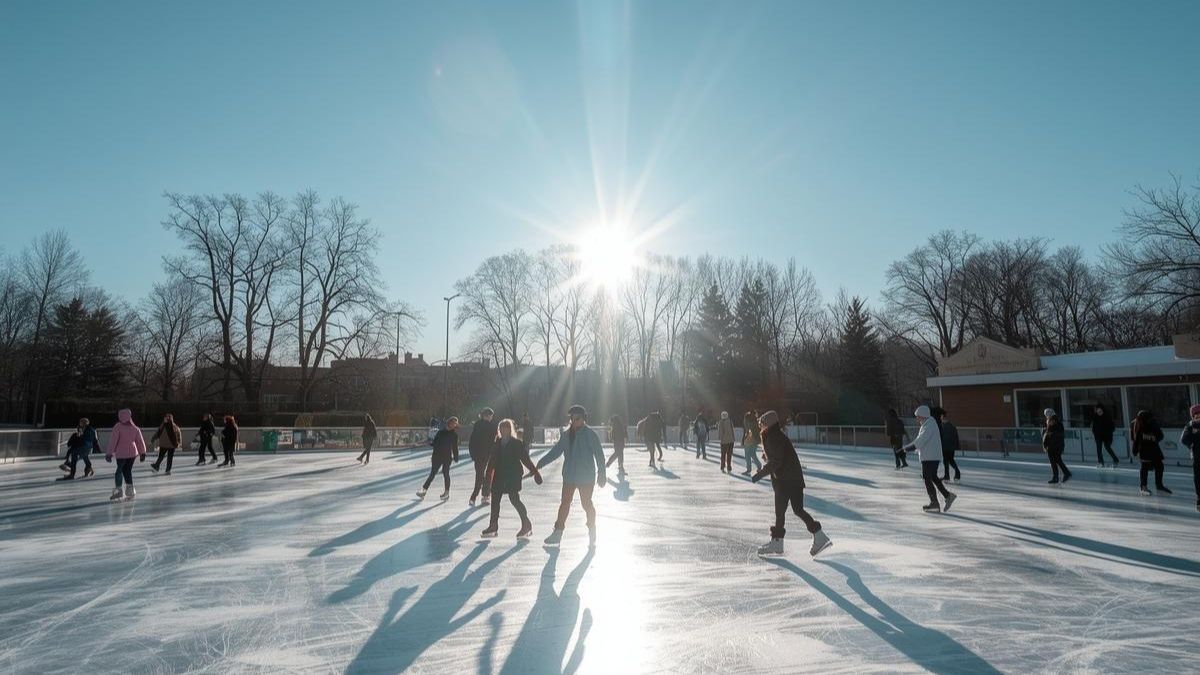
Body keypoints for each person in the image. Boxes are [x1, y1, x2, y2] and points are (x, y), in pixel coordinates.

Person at [752, 410, 832, 557]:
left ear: (768, 424)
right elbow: (778, 457)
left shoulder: (772, 437)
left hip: (785, 480)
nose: (761, 427)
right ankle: (819, 535)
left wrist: (759, 474)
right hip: (794, 479)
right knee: (798, 509)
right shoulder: (777, 435)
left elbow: (777, 461)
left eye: (762, 424)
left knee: (780, 512)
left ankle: (777, 542)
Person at [537, 405, 606, 547]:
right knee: (565, 503)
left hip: (586, 477)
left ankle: (592, 528)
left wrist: (602, 474)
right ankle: (557, 532)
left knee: (586, 504)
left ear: (583, 419)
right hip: (569, 476)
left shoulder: (590, 435)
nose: (574, 421)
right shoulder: (566, 435)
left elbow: (599, 455)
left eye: (578, 418)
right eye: (572, 418)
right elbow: (555, 452)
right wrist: (540, 463)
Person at [481, 418, 543, 538]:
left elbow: (526, 460)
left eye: (507, 428)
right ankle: (493, 526)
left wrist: (535, 472)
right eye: (502, 428)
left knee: (514, 499)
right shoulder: (497, 444)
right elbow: (491, 463)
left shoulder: (516, 443)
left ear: (511, 430)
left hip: (512, 476)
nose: (504, 431)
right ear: (499, 430)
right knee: (495, 501)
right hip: (499, 476)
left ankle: (526, 524)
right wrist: (488, 478)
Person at [902, 405, 957, 513]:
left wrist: (908, 448)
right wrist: (908, 447)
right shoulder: (927, 424)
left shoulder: (929, 425)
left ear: (923, 416)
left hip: (930, 457)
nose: (917, 419)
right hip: (931, 456)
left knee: (927, 478)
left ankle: (934, 503)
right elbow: (919, 439)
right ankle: (947, 496)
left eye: (918, 416)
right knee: (933, 477)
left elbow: (920, 441)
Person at [105, 409, 147, 501]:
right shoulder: (135, 428)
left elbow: (113, 441)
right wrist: (142, 453)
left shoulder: (118, 427)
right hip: (132, 453)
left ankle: (119, 490)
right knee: (127, 471)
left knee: (119, 471)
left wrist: (109, 453)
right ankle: (130, 490)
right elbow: (140, 442)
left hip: (121, 453)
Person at [418, 416, 459, 500]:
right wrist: (431, 443)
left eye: (455, 423)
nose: (454, 425)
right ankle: (423, 490)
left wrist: (456, 457)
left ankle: (446, 493)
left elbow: (455, 447)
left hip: (447, 457)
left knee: (446, 473)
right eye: (453, 423)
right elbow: (435, 443)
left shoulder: (454, 435)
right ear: (449, 423)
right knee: (432, 473)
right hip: (437, 456)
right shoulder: (441, 432)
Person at [1131, 410, 1171, 496]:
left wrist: (1154, 438)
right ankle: (1143, 486)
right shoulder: (1138, 425)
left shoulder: (1153, 423)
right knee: (1145, 468)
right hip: (1144, 450)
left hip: (1154, 449)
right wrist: (1135, 450)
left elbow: (1160, 435)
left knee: (1159, 466)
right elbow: (1136, 439)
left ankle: (1159, 485)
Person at [468, 408, 499, 506]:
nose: (490, 417)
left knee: (484, 475)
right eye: (489, 415)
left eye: (491, 416)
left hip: (485, 454)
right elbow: (473, 440)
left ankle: (481, 496)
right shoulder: (482, 425)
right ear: (485, 415)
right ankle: (479, 496)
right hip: (483, 455)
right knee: (483, 476)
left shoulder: (490, 426)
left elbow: (472, 441)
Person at [1179, 405, 1200, 511]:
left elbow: (1183, 439)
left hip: (1197, 455)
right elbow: (1183, 439)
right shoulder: (1190, 425)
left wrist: (1191, 444)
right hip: (1197, 456)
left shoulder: (1190, 425)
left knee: (1198, 477)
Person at [1041, 408, 1071, 484]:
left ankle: (1064, 474)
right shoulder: (1051, 423)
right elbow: (1047, 435)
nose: (1046, 417)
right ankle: (1057, 476)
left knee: (1056, 460)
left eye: (1047, 415)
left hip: (1054, 446)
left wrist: (1048, 442)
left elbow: (1055, 435)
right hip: (1052, 446)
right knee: (1055, 461)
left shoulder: (1055, 423)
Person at [938, 408, 961, 482]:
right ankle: (951, 474)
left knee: (947, 462)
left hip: (945, 447)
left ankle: (949, 475)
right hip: (951, 448)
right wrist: (956, 446)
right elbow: (956, 437)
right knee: (950, 460)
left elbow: (940, 437)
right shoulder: (952, 427)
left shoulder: (942, 427)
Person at [741, 411, 762, 475]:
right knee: (748, 455)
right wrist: (743, 440)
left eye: (746, 420)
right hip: (747, 440)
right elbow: (745, 432)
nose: (745, 421)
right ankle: (749, 469)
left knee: (751, 454)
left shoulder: (754, 423)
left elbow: (757, 431)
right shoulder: (748, 424)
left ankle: (758, 466)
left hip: (753, 440)